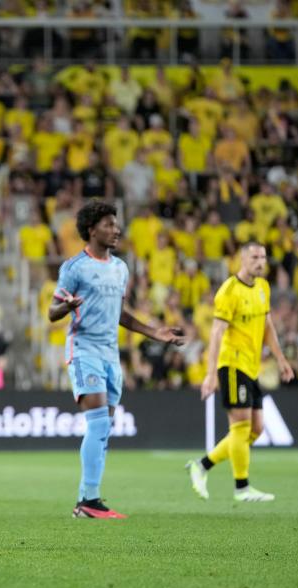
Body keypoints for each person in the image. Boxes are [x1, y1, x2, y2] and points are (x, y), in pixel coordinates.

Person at [48, 201, 185, 519]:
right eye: (109, 224)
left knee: (103, 427)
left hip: (111, 354)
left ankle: (89, 499)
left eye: (116, 224)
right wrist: (67, 307)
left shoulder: (120, 268)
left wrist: (154, 333)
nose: (116, 229)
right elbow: (52, 311)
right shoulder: (74, 267)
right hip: (84, 349)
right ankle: (87, 500)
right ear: (92, 229)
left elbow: (118, 313)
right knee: (97, 421)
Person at [187, 242, 295, 502]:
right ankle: (242, 487)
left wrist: (281, 359)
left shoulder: (263, 287)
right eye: (255, 257)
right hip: (232, 365)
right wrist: (211, 374)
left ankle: (201, 465)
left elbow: (267, 325)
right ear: (242, 259)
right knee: (241, 426)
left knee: (255, 429)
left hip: (251, 366)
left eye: (264, 257)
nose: (260, 262)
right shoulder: (229, 290)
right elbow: (216, 333)